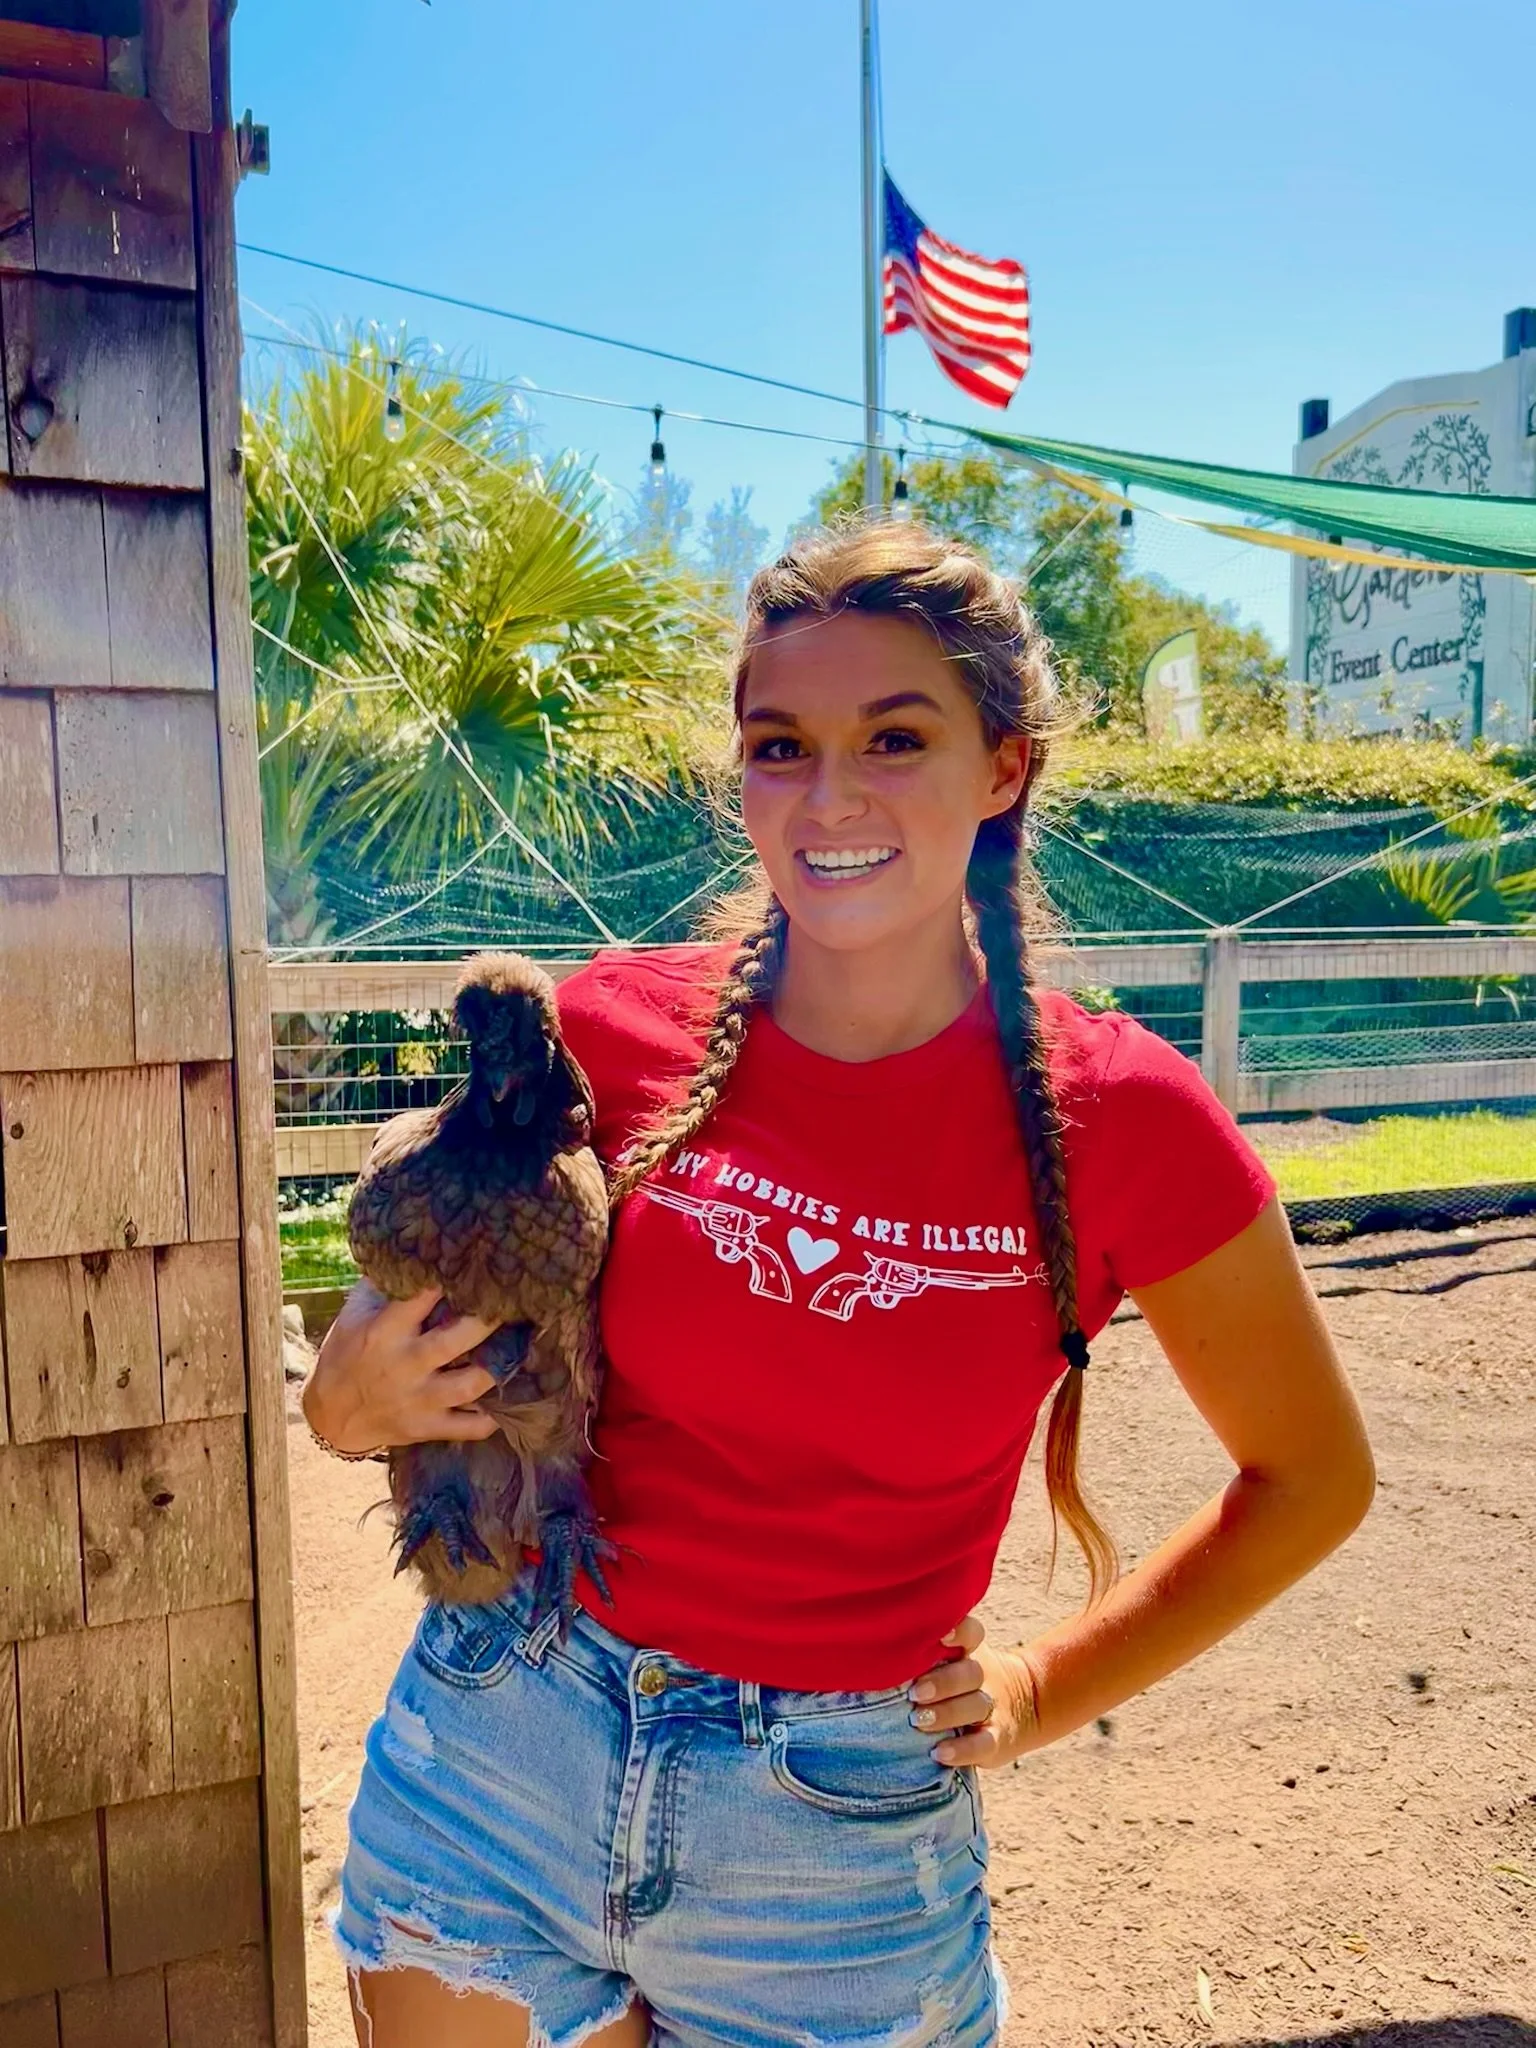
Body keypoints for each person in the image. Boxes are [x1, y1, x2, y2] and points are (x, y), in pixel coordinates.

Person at [304, 521, 1375, 2048]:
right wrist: (342, 1396)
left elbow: (1314, 1476)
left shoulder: (1121, 1117)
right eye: (779, 745)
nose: (830, 795)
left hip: (835, 1839)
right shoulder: (611, 1033)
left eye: (895, 736)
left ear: (1004, 765)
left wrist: (1040, 1690)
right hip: (505, 1739)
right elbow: (432, 1283)